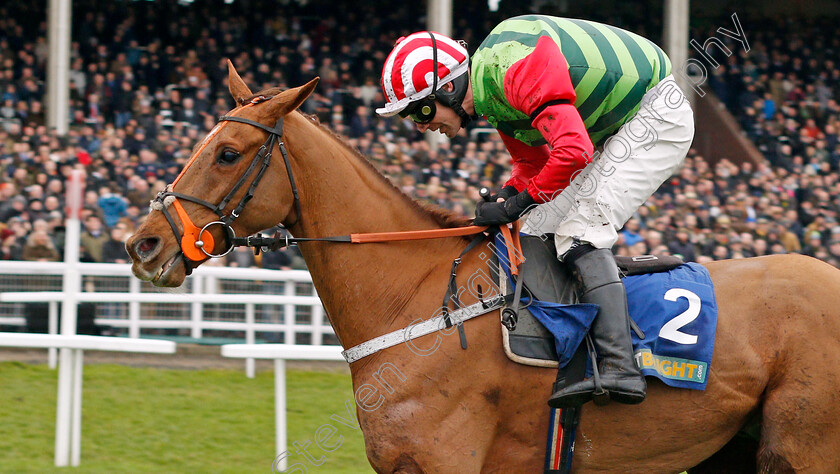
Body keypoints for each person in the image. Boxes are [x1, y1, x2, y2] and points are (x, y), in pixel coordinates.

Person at [377, 15, 695, 408]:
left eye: (421, 112)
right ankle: (574, 350)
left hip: (653, 115)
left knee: (580, 231)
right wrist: (506, 198)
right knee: (536, 230)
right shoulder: (494, 93)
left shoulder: (514, 68)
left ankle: (621, 366)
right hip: (612, 128)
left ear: (448, 86)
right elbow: (532, 166)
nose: (420, 126)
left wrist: (519, 202)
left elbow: (572, 151)